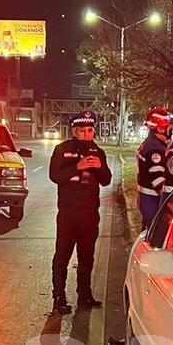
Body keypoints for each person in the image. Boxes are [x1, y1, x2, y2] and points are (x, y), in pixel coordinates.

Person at [49, 111, 112, 314]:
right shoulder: (62, 149)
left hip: (89, 214)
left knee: (87, 257)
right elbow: (55, 176)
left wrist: (100, 167)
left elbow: (106, 180)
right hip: (68, 214)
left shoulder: (98, 152)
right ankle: (59, 297)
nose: (87, 134)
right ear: (74, 131)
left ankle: (84, 294)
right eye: (83, 130)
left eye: (90, 130)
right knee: (63, 257)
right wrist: (77, 166)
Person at [136, 107, 173, 227]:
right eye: (169, 126)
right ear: (161, 128)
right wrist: (171, 202)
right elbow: (157, 180)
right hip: (153, 202)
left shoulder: (151, 144)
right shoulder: (154, 148)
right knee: (154, 238)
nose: (171, 129)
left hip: (148, 201)